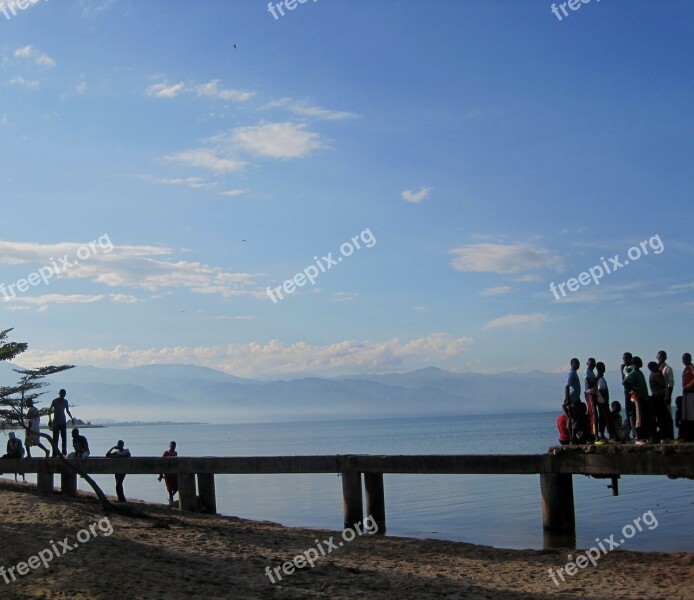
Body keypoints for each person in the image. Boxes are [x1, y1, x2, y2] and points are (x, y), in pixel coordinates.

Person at [623, 356, 650, 444]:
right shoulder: (634, 372)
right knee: (638, 417)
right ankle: (638, 438)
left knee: (642, 416)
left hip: (642, 397)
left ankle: (642, 436)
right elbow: (625, 382)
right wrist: (632, 390)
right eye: (640, 361)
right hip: (636, 397)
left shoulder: (639, 372)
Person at [48, 389, 75, 457]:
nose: (63, 396)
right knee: (55, 439)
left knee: (64, 438)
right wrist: (50, 420)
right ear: (59, 394)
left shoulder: (65, 401)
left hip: (63, 421)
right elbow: (49, 411)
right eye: (61, 394)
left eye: (64, 394)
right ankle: (55, 453)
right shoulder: (54, 401)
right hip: (56, 422)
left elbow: (67, 411)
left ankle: (64, 453)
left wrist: (72, 418)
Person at [657, 350, 675, 441]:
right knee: (661, 415)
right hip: (658, 395)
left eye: (662, 357)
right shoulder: (656, 369)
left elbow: (671, 383)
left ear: (665, 358)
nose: (660, 359)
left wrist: (668, 396)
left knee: (668, 414)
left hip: (665, 394)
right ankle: (662, 434)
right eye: (659, 357)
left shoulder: (667, 368)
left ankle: (670, 435)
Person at [648, 361, 668, 444]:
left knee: (659, 417)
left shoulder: (654, 374)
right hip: (658, 397)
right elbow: (663, 385)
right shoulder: (657, 374)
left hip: (657, 397)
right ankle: (662, 436)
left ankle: (660, 436)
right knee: (661, 417)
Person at [564, 358, 581, 443]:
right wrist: (567, 399)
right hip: (572, 400)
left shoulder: (575, 373)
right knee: (573, 419)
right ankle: (572, 438)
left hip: (576, 399)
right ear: (572, 364)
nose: (578, 365)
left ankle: (575, 437)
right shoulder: (571, 373)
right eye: (577, 363)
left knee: (575, 419)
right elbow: (567, 386)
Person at [679, 353, 694, 442]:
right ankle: (686, 435)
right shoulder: (686, 369)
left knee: (690, 414)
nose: (684, 360)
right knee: (686, 415)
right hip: (686, 393)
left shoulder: (691, 368)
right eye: (683, 359)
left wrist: (688, 386)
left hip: (691, 392)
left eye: (685, 358)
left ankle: (690, 435)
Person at [595, 362, 610, 443]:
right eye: (603, 367)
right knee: (604, 418)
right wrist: (603, 402)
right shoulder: (600, 379)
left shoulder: (600, 378)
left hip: (602, 402)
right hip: (602, 402)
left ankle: (603, 434)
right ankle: (604, 434)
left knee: (603, 418)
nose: (604, 368)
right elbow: (599, 391)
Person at [620, 353, 635, 441]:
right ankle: (627, 434)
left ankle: (633, 434)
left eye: (625, 359)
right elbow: (623, 380)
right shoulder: (626, 368)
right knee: (628, 413)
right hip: (627, 391)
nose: (624, 361)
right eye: (623, 359)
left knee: (631, 413)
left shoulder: (631, 369)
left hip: (631, 392)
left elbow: (625, 381)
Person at [584, 358, 598, 443]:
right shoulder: (587, 372)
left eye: (594, 364)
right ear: (587, 364)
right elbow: (589, 385)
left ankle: (592, 434)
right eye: (591, 364)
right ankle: (595, 435)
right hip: (589, 394)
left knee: (592, 413)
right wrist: (597, 378)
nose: (593, 366)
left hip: (593, 394)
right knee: (593, 414)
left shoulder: (591, 372)